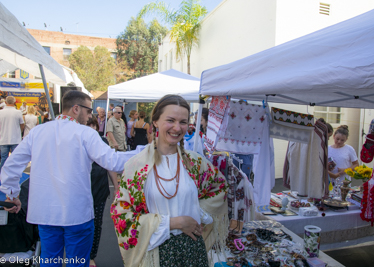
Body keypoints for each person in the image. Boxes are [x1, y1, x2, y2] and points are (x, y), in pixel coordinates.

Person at [0, 90, 140, 267]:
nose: (90, 115)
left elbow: (11, 165)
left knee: (50, 260)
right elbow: (113, 161)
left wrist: (12, 193)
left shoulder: (38, 132)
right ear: (76, 108)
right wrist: (145, 153)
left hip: (45, 212)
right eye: (89, 111)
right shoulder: (85, 133)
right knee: (77, 262)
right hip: (76, 213)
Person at [111, 94, 228, 267]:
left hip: (192, 250)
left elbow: (219, 187)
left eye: (182, 122)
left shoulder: (195, 163)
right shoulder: (135, 167)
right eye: (171, 120)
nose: (177, 128)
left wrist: (197, 216)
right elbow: (122, 217)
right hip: (155, 252)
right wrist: (175, 223)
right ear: (156, 121)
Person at [86, 117, 119, 267]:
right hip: (81, 190)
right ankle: (80, 256)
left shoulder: (103, 141)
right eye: (88, 126)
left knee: (97, 224)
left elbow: (110, 165)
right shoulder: (78, 141)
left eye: (93, 126)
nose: (91, 129)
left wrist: (116, 187)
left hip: (99, 188)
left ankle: (92, 256)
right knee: (79, 225)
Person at [0, 96, 25, 170]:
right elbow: (22, 124)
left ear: (5, 102)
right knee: (15, 159)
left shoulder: (0, 112)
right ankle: (14, 174)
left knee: (4, 159)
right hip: (15, 138)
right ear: (15, 103)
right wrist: (19, 132)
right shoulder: (18, 112)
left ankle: (2, 175)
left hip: (3, 139)